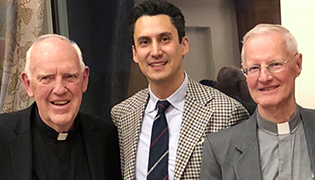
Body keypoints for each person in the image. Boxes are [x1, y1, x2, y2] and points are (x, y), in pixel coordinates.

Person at [111, 0, 249, 179]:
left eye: (164, 39)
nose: (155, 51)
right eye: (144, 42)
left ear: (184, 45)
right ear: (135, 53)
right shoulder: (122, 116)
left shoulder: (227, 113)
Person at [0, 34, 121, 180]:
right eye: (46, 78)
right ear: (28, 84)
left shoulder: (106, 138)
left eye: (69, 76)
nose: (59, 89)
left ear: (84, 79)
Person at [200, 24, 315, 180]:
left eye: (275, 64)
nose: (264, 77)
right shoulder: (219, 149)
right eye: (254, 68)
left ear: (298, 64)